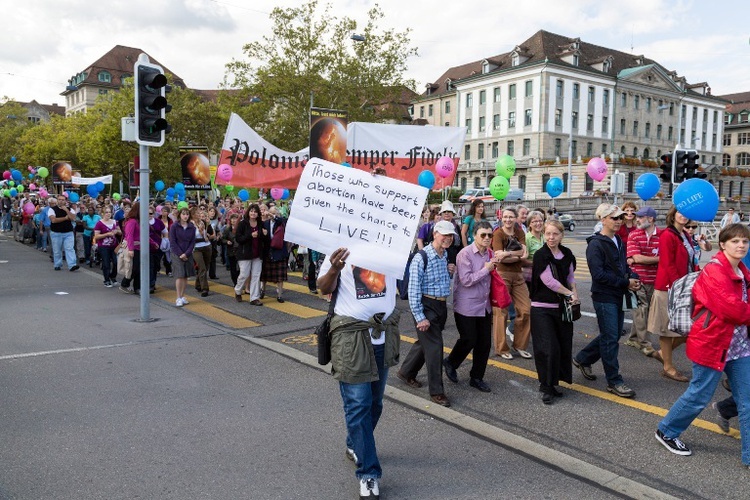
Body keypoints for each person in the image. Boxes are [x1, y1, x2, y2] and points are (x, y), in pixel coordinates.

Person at [655, 223, 750, 463]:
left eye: (745, 241)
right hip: (712, 343)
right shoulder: (714, 271)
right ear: (723, 244)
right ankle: (666, 430)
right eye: (735, 241)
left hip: (739, 346)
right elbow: (732, 310)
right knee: (699, 395)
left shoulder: (742, 271)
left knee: (747, 400)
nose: (741, 245)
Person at [317, 246, 401, 500]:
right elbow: (323, 287)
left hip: (383, 335)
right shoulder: (340, 247)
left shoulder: (392, 243)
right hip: (351, 338)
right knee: (358, 405)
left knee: (374, 404)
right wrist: (335, 267)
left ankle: (355, 444)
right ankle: (368, 472)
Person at [573, 203, 639, 398]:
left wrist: (633, 276)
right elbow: (598, 274)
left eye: (620, 217)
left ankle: (583, 358)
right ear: (603, 219)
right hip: (604, 296)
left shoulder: (619, 240)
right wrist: (625, 282)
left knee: (612, 335)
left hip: (618, 293)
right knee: (611, 338)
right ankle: (614, 381)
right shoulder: (595, 244)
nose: (619, 221)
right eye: (614, 217)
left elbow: (622, 266)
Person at [398, 220, 456, 407]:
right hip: (426, 305)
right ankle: (437, 392)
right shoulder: (421, 257)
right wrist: (420, 316)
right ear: (435, 234)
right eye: (445, 234)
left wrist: (450, 272)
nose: (448, 238)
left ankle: (406, 372)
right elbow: (414, 289)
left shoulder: (444, 254)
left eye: (450, 235)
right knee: (435, 348)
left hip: (440, 306)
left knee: (425, 343)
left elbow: (441, 281)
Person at [444, 221, 505, 393]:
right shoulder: (465, 254)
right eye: (483, 235)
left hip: (484, 304)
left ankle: (477, 377)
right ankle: (451, 362)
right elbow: (466, 280)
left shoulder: (489, 253)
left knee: (484, 343)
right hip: (467, 304)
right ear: (475, 236)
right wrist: (486, 269)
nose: (487, 238)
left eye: (489, 235)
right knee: (469, 338)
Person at [530, 219, 578, 404]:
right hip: (541, 308)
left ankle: (554, 382)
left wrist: (575, 294)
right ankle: (546, 387)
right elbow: (548, 281)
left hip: (562, 308)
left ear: (561, 236)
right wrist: (568, 293)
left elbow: (570, 277)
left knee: (562, 346)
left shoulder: (567, 253)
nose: (551, 237)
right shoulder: (541, 255)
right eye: (548, 233)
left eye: (555, 234)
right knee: (547, 348)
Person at [648, 206, 697, 382]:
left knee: (687, 329)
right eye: (679, 212)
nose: (683, 215)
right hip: (670, 287)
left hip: (684, 286)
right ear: (673, 215)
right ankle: (668, 367)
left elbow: (692, 260)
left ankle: (662, 354)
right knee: (667, 328)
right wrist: (680, 286)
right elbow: (668, 264)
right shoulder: (667, 235)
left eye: (686, 212)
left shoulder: (685, 235)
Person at [491, 207, 532, 360]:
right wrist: (515, 255)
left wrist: (507, 253)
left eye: (511, 217)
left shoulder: (519, 232)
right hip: (502, 274)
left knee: (526, 309)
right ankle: (501, 348)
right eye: (505, 217)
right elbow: (498, 257)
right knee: (501, 312)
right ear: (502, 218)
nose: (508, 220)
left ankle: (520, 345)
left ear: (515, 218)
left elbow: (524, 253)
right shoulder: (498, 233)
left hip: (518, 274)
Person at [623, 206, 662, 359]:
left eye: (639, 217)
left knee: (647, 311)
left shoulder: (663, 235)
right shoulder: (634, 235)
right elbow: (637, 258)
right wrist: (660, 259)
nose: (636, 219)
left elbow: (639, 258)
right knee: (641, 309)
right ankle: (644, 343)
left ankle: (633, 338)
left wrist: (641, 259)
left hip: (656, 279)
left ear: (650, 219)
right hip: (637, 279)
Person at [235, 203, 266, 305]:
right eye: (251, 211)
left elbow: (263, 239)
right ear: (248, 212)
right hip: (245, 254)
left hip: (257, 254)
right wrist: (250, 235)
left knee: (256, 276)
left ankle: (254, 298)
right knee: (244, 274)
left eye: (255, 211)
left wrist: (264, 235)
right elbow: (238, 239)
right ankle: (238, 290)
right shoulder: (243, 223)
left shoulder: (260, 223)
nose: (253, 213)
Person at [169, 207, 196, 307]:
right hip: (177, 253)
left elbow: (192, 242)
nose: (185, 216)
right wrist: (180, 254)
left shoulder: (191, 226)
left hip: (187, 253)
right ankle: (178, 297)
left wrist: (187, 253)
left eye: (187, 214)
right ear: (180, 215)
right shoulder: (174, 226)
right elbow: (172, 242)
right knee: (179, 275)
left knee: (186, 276)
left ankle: (183, 296)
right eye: (183, 214)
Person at [262, 206, 289, 303]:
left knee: (280, 277)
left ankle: (280, 295)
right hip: (268, 251)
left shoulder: (281, 222)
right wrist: (263, 234)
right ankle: (263, 290)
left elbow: (279, 219)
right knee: (264, 275)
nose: (273, 215)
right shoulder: (265, 223)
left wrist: (271, 215)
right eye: (271, 213)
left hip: (279, 251)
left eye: (275, 213)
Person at [47, 195, 79, 272]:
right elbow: (53, 220)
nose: (61, 201)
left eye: (63, 200)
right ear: (57, 201)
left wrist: (67, 211)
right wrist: (65, 218)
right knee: (57, 249)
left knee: (69, 248)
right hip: (56, 232)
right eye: (59, 199)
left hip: (68, 232)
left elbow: (73, 218)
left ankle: (72, 265)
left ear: (65, 201)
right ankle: (57, 264)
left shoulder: (70, 209)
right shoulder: (52, 209)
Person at [93, 206, 121, 287]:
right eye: (106, 212)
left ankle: (112, 276)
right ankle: (106, 280)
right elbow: (96, 236)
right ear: (102, 214)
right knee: (106, 263)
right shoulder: (99, 223)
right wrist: (107, 234)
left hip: (114, 245)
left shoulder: (115, 222)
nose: (108, 214)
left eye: (109, 212)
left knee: (116, 262)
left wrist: (117, 231)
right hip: (103, 246)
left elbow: (120, 232)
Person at [119, 201, 142, 294]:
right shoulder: (132, 221)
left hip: (140, 247)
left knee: (139, 269)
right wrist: (131, 249)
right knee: (134, 268)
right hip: (133, 247)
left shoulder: (139, 221)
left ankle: (137, 287)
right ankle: (124, 284)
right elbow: (129, 236)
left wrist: (153, 243)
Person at [190, 206, 213, 297]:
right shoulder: (190, 225)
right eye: (197, 213)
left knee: (205, 267)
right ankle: (205, 288)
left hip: (206, 246)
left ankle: (198, 283)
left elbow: (210, 234)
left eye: (200, 213)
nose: (199, 215)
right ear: (193, 215)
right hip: (196, 248)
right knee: (202, 267)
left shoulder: (203, 223)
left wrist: (207, 232)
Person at [222, 213, 241, 287]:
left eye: (235, 219)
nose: (234, 220)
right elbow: (223, 239)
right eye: (232, 219)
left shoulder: (240, 228)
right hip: (231, 251)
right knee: (233, 268)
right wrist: (227, 241)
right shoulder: (227, 229)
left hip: (239, 251)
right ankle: (235, 282)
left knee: (240, 268)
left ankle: (240, 281)